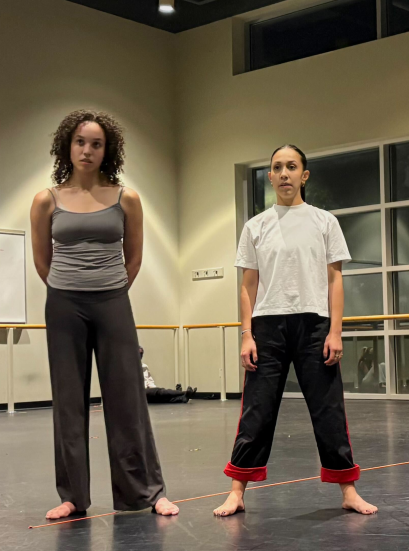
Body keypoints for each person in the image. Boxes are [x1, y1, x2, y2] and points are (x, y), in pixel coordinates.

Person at [214, 145, 378, 517]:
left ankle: (348, 490)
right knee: (256, 411)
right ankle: (236, 491)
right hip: (267, 327)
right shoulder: (255, 226)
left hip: (315, 325)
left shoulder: (324, 221)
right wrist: (246, 333)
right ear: (269, 177)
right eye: (277, 168)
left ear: (304, 175)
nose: (284, 173)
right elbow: (247, 285)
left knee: (328, 409)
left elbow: (335, 280)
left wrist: (335, 332)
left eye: (291, 167)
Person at [30, 110, 179, 519]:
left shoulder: (125, 197)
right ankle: (72, 497)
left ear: (106, 150)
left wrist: (108, 290)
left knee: (127, 398)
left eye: (96, 143)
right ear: (68, 146)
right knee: (69, 402)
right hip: (63, 303)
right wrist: (69, 289)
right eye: (80, 141)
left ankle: (146, 492)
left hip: (113, 299)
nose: (87, 150)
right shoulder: (47, 199)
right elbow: (43, 261)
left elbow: (134, 258)